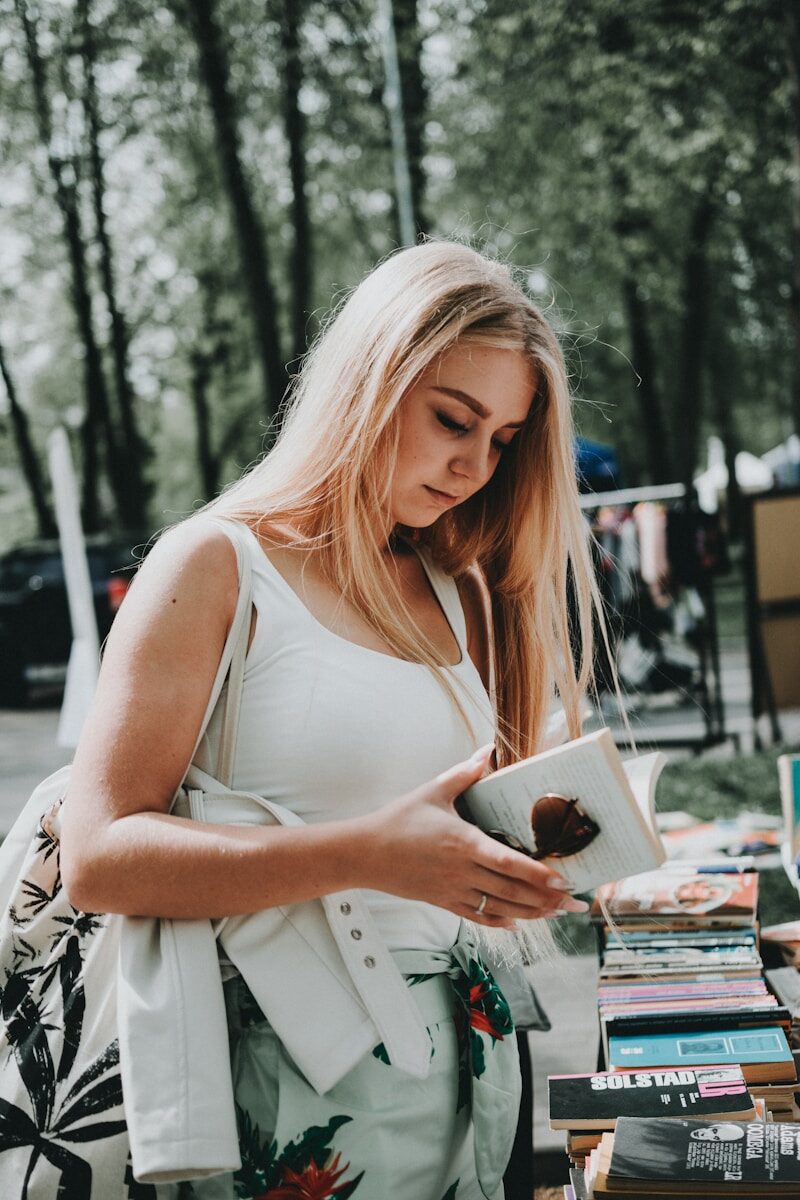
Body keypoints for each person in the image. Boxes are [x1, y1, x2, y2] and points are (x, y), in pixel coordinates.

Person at [60, 240, 600, 1200]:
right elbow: (99, 856)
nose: (475, 464)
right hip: (277, 1078)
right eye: (452, 420)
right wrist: (368, 854)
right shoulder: (215, 565)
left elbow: (446, 834)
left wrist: (537, 858)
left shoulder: (459, 587)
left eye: (504, 440)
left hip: (471, 1071)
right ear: (370, 378)